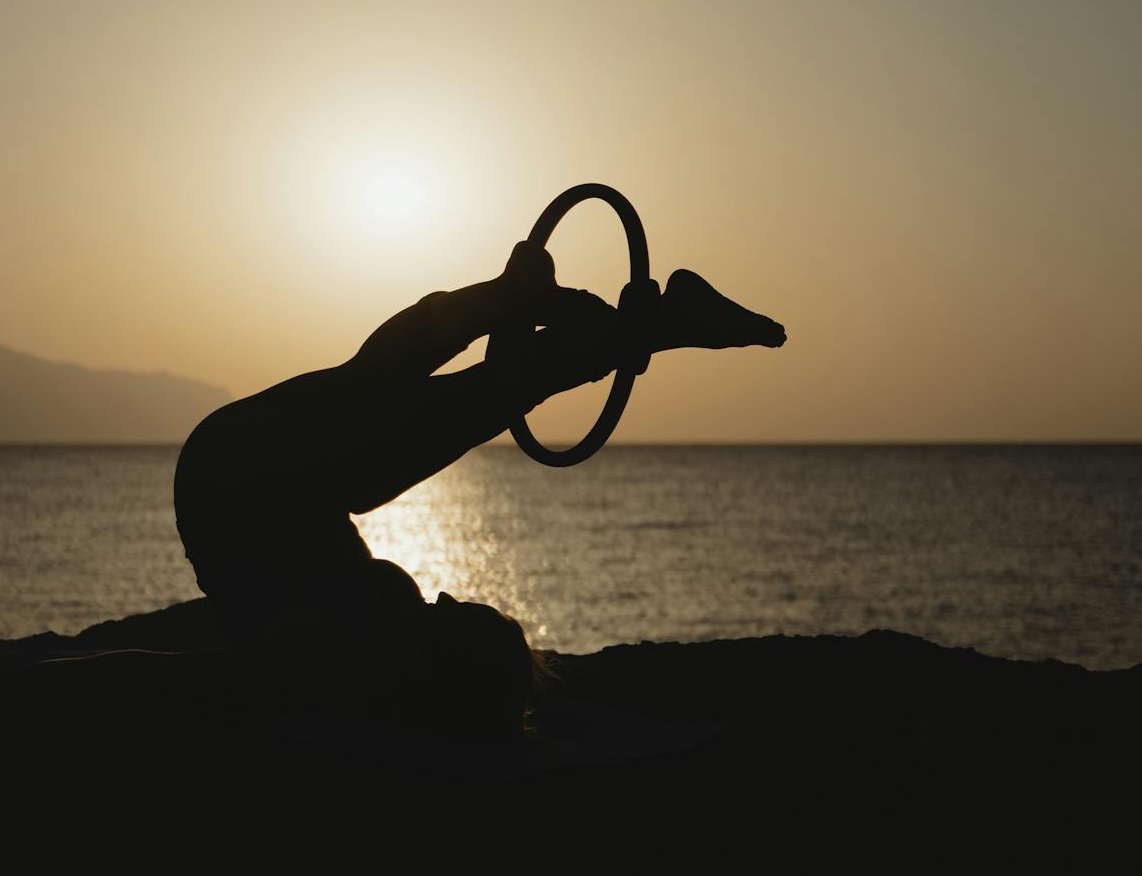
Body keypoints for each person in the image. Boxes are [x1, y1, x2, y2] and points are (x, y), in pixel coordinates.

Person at [174, 243, 785, 739]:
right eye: (463, 607)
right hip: (265, 489)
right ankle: (602, 320)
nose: (442, 595)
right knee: (401, 400)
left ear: (443, 663)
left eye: (464, 615)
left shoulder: (327, 666)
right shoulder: (371, 645)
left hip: (237, 486)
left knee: (406, 404)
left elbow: (177, 678)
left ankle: (571, 314)